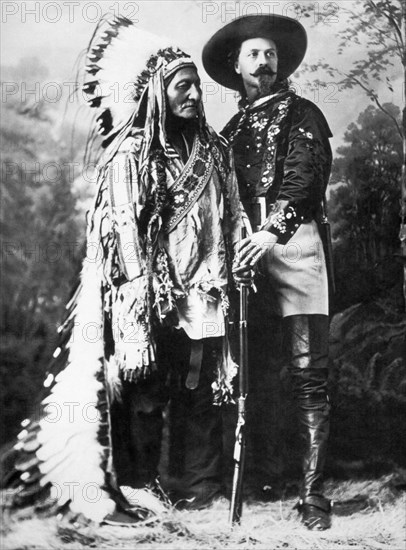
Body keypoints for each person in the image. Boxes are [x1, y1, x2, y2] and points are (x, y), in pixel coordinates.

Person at [7, 16, 242, 524]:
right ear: (159, 91)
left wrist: (217, 275)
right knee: (145, 392)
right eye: (183, 87)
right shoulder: (130, 156)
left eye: (197, 87)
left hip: (203, 286)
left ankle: (198, 486)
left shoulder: (215, 153)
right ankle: (139, 484)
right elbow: (123, 237)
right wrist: (139, 294)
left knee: (198, 389)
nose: (195, 97)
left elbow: (226, 221)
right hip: (145, 291)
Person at [203, 14, 334, 530]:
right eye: (253, 54)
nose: (263, 62)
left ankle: (314, 497)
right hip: (243, 253)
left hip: (294, 244)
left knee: (308, 376)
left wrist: (272, 230)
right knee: (248, 373)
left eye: (270, 55)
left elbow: (307, 178)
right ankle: (260, 478)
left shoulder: (303, 113)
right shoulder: (229, 131)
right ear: (237, 66)